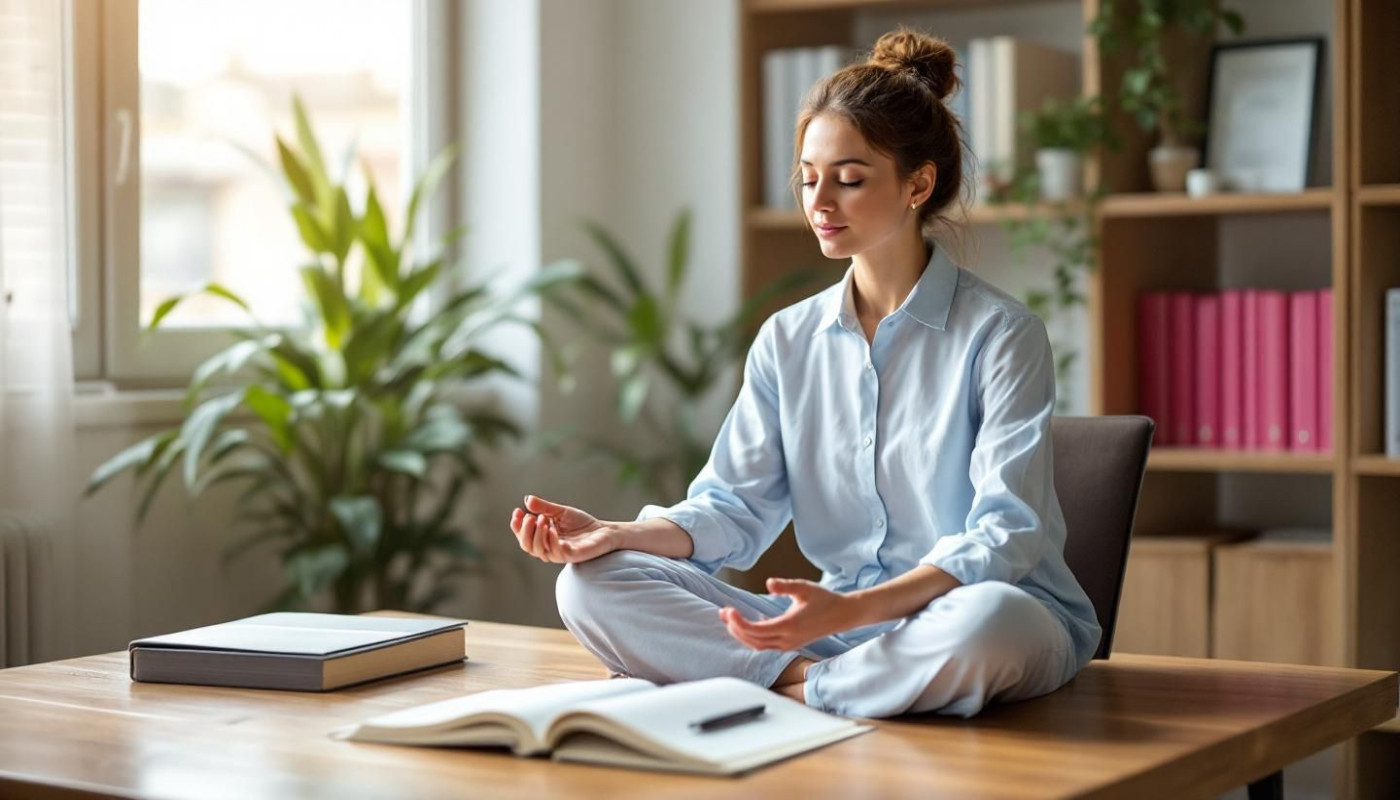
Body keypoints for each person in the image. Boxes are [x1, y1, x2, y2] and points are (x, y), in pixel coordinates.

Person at [507, 27, 1101, 719]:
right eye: (808, 179)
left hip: (966, 616)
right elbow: (734, 510)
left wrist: (846, 610)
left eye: (849, 180)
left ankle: (782, 686)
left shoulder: (1002, 335)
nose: (820, 202)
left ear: (919, 183)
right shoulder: (787, 339)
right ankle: (834, 685)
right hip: (830, 632)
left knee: (990, 620)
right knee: (589, 584)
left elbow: (1006, 536)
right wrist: (619, 534)